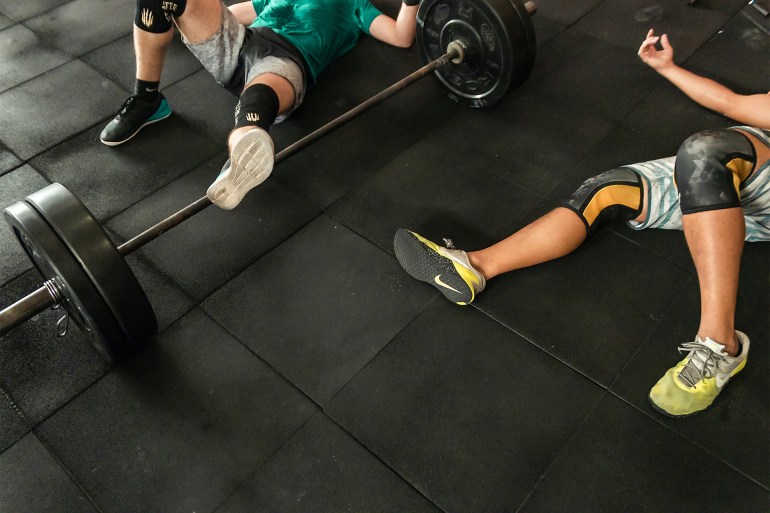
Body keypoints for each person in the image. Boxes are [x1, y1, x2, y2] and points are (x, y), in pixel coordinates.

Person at [393, 29, 770, 418]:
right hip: (742, 169)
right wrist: (668, 67)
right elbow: (732, 103)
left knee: (706, 152)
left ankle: (719, 344)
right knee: (607, 190)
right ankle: (475, 266)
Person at [100, 0, 419, 209]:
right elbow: (228, 16)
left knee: (260, 95)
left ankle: (240, 158)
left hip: (285, 61)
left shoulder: (355, 6)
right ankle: (147, 98)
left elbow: (401, 36)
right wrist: (172, 18)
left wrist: (411, 3)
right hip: (241, 44)